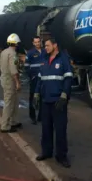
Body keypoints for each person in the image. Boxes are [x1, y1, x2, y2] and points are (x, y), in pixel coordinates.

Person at [33, 38, 73, 168]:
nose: (45, 48)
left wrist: (64, 95)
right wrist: (36, 93)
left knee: (60, 130)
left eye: (48, 45)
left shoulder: (63, 60)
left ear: (55, 45)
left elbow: (68, 79)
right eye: (45, 46)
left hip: (58, 101)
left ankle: (61, 156)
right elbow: (40, 79)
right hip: (45, 101)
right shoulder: (44, 60)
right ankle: (46, 152)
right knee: (46, 128)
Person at [0, 33, 22, 133]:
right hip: (10, 80)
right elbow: (14, 70)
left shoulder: (4, 52)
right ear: (16, 43)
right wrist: (17, 82)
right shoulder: (13, 54)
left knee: (14, 101)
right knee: (9, 103)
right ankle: (5, 126)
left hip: (4, 78)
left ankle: (13, 121)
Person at [24, 36, 46, 124]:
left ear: (41, 42)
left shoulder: (45, 51)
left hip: (44, 78)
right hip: (35, 79)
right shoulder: (30, 53)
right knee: (33, 97)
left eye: (38, 42)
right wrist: (31, 76)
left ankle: (41, 116)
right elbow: (26, 66)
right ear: (33, 43)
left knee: (43, 97)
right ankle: (33, 117)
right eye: (35, 42)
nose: (37, 43)